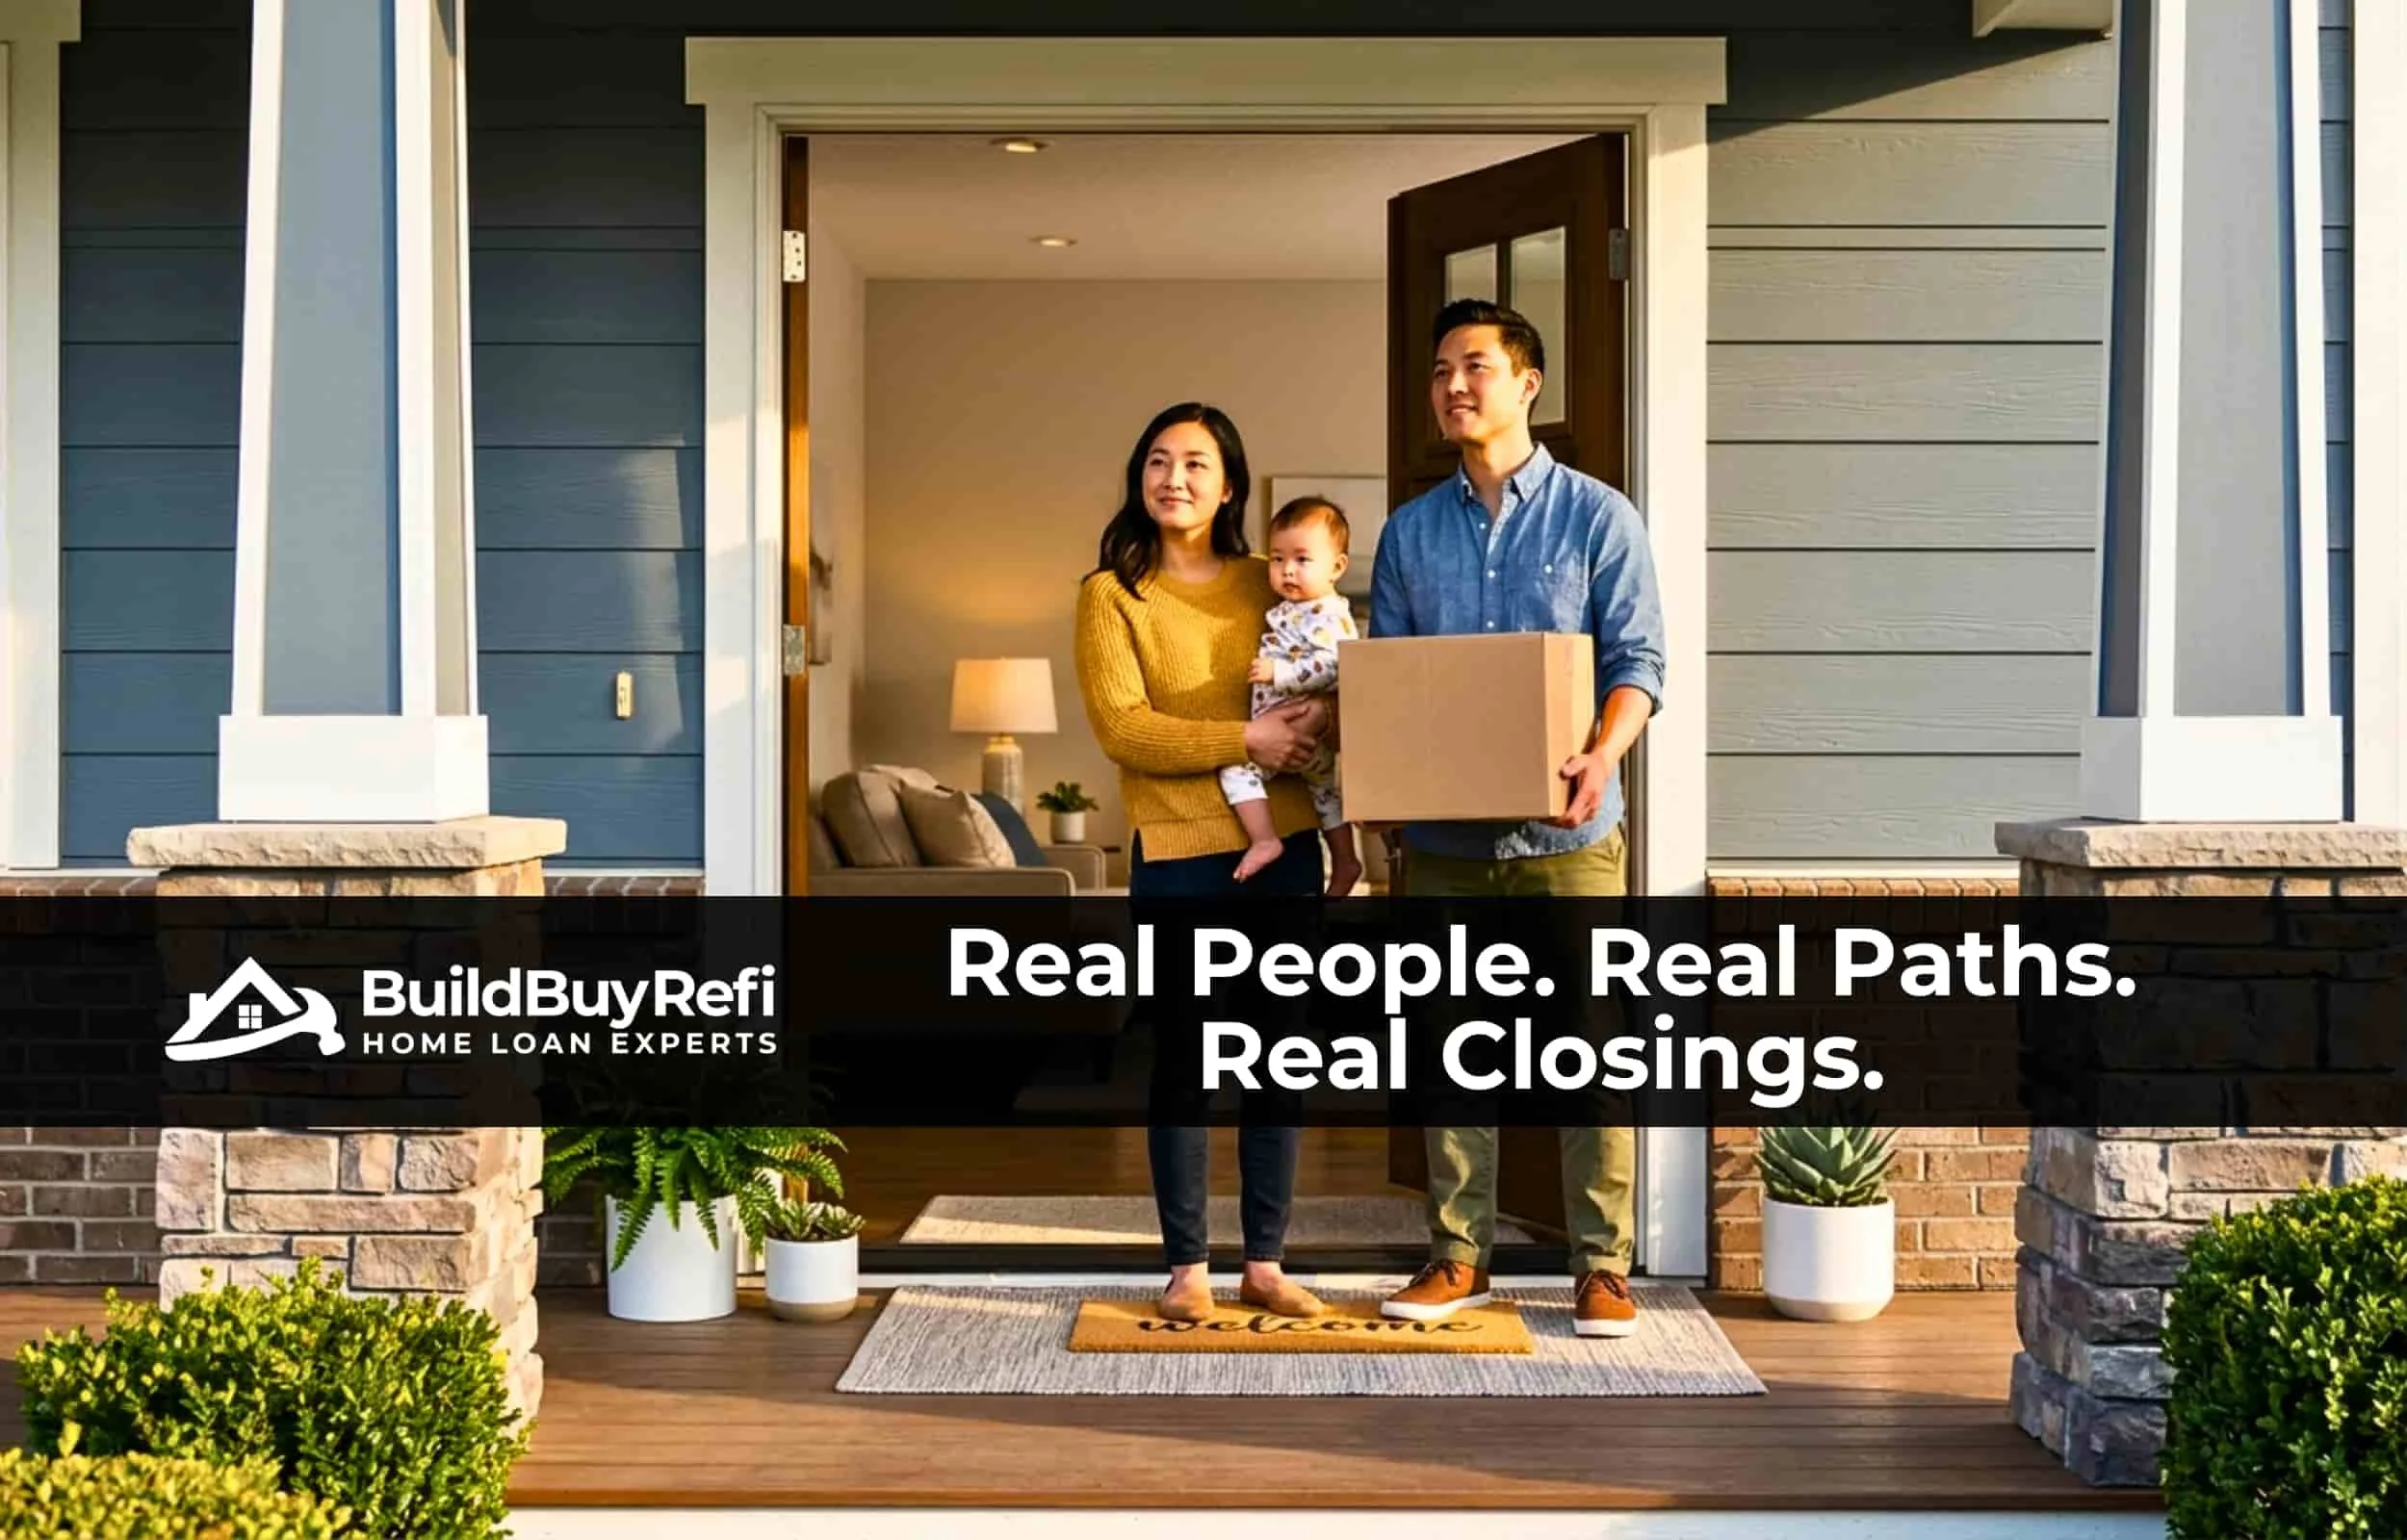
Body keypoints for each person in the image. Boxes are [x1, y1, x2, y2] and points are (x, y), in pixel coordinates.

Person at [1371, 298, 1667, 1340]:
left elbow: (1638, 664)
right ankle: (1458, 1257)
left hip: (1570, 840)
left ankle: (1602, 1264)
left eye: (1477, 366)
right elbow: (1393, 688)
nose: (1455, 384)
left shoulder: (1597, 516)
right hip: (1447, 849)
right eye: (1440, 369)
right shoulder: (1407, 531)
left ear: (1526, 382)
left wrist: (1602, 752)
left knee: (1588, 1049)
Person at [1073, 401, 1332, 1323]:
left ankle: (1265, 1260)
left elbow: (1336, 675)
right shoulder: (1113, 594)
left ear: (1230, 485)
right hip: (1179, 857)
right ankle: (1187, 1267)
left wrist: (1312, 727)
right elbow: (1124, 729)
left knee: (1279, 1059)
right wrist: (1250, 737)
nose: (1173, 478)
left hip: (1288, 852)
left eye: (1195, 464)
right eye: (1157, 461)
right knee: (1183, 1056)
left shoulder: (1276, 579)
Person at [1220, 496, 1363, 897]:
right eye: (1277, 559)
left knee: (1235, 768)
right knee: (1324, 795)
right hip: (1291, 731)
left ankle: (1264, 839)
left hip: (1298, 725)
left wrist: (1280, 672)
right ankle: (1346, 861)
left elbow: (1336, 665)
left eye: (1302, 560)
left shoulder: (1328, 613)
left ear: (1337, 567)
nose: (1287, 571)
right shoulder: (1292, 608)